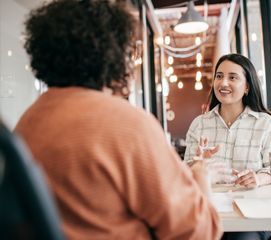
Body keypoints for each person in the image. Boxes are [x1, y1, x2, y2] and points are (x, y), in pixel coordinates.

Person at [14, 1, 222, 239]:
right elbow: (198, 232)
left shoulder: (27, 123)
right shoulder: (126, 125)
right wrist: (201, 176)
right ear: (113, 53)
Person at [184, 53, 271, 240]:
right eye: (219, 76)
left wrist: (258, 178)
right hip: (210, 212)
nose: (223, 83)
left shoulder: (265, 123)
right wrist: (198, 166)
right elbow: (185, 175)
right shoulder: (199, 124)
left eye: (232, 77)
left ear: (247, 87)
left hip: (252, 215)